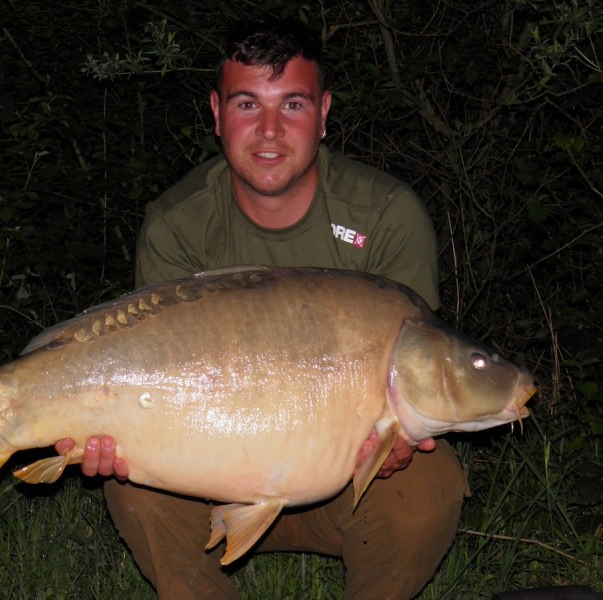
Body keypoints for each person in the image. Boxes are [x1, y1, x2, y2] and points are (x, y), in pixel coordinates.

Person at [55, 16, 467, 599]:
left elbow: (421, 367)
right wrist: (101, 432)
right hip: (205, 474)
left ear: (324, 113)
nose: (270, 130)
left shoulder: (386, 216)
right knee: (131, 485)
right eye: (248, 104)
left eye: (292, 105)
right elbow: (152, 369)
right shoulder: (177, 225)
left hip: (350, 483)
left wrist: (397, 440)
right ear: (217, 113)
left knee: (430, 485)